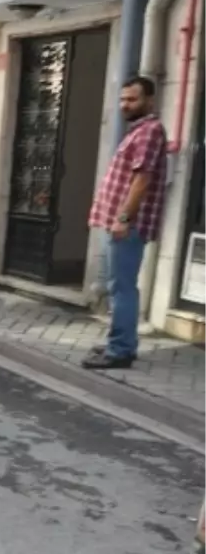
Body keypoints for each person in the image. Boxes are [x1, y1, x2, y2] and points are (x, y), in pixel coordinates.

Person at [82, 76, 168, 371]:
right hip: (120, 224)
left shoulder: (149, 131)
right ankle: (119, 343)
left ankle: (120, 350)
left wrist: (123, 218)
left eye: (132, 99)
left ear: (149, 101)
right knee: (118, 285)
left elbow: (141, 179)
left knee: (122, 288)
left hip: (128, 226)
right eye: (122, 99)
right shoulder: (138, 131)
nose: (125, 105)